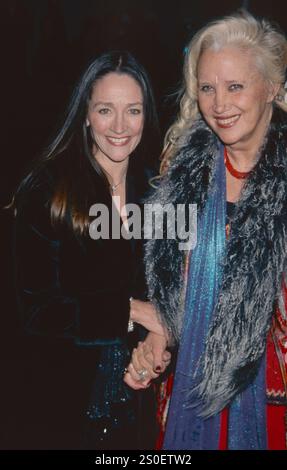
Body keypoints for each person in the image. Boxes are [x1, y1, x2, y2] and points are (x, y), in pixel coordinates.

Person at [125, 11, 287, 450]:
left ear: (271, 87)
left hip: (270, 402)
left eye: (235, 86)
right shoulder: (179, 170)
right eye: (207, 87)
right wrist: (158, 335)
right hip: (185, 397)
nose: (219, 104)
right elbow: (173, 289)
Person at [12, 50, 163, 450]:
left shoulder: (157, 194)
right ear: (85, 114)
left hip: (139, 405)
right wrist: (126, 310)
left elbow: (167, 300)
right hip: (62, 406)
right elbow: (32, 314)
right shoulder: (47, 191)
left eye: (133, 111)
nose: (119, 126)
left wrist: (157, 346)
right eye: (104, 110)